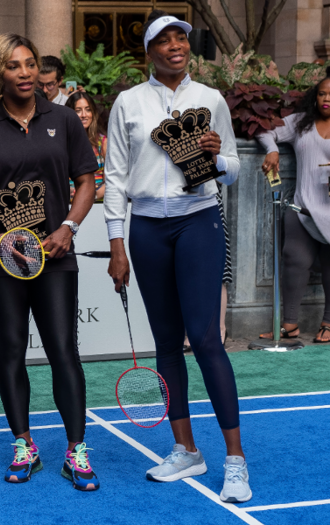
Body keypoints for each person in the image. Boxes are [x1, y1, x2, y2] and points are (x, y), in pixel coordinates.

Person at [104, 11, 249, 503]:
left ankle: (234, 460)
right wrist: (116, 244)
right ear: (148, 52)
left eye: (181, 38)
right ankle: (186, 449)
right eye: (163, 40)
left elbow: (232, 170)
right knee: (167, 342)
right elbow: (116, 179)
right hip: (145, 228)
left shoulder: (211, 100)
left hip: (197, 220)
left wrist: (218, 156)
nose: (175, 46)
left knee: (207, 338)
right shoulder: (128, 102)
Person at [0, 33, 99, 491]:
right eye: (14, 66)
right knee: (11, 350)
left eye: (30, 64)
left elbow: (87, 180)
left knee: (63, 350)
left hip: (54, 256)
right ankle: (24, 444)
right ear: (0, 72)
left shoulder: (64, 120)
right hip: (1, 260)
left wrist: (69, 227)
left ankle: (75, 450)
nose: (25, 72)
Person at [258, 67, 330, 343]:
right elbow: (266, 131)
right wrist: (272, 149)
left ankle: (328, 323)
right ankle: (289, 325)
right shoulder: (301, 122)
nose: (326, 99)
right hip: (302, 207)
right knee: (294, 261)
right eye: (322, 94)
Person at [66, 92, 106, 201]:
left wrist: (92, 196)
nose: (84, 115)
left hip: (97, 204)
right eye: (78, 111)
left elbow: (112, 180)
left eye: (88, 109)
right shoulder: (61, 143)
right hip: (68, 203)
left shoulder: (103, 143)